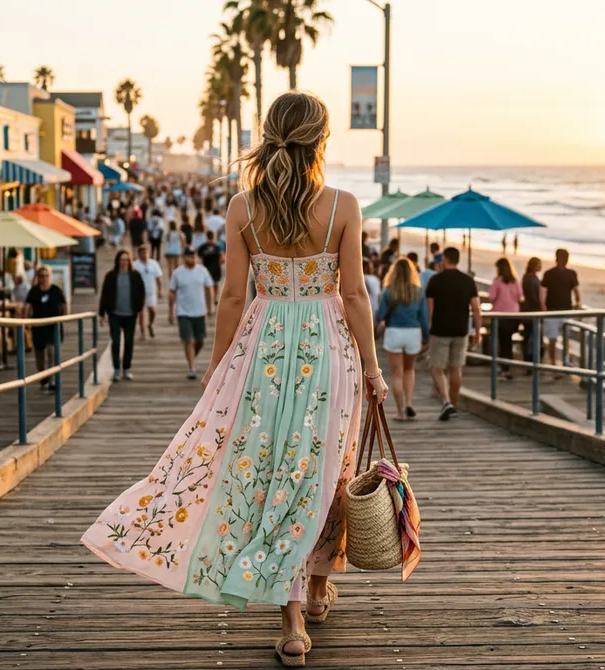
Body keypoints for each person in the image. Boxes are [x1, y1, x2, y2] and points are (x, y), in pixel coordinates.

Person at [83, 91, 388, 668]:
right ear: (321, 141)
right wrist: (373, 368)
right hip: (328, 350)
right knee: (325, 469)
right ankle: (314, 590)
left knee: (273, 473)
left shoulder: (243, 208)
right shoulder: (344, 205)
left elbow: (231, 296)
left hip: (264, 350)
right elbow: (352, 295)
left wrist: (219, 366)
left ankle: (297, 615)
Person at [425, 246, 480, 421]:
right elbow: (476, 309)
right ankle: (453, 404)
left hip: (440, 330)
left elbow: (430, 310)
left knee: (436, 368)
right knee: (456, 368)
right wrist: (477, 331)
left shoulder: (435, 280)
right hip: (461, 329)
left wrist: (428, 329)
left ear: (445, 259)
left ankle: (446, 401)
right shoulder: (468, 281)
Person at [376, 257, 429, 420]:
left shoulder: (388, 291)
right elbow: (424, 317)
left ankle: (400, 412)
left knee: (396, 373)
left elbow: (380, 315)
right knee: (409, 370)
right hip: (413, 333)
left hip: (394, 333)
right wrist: (426, 338)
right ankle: (409, 404)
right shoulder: (418, 291)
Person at [169, 247, 214, 380]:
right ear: (184, 257)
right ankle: (192, 367)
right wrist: (171, 311)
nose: (192, 258)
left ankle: (192, 357)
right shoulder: (177, 273)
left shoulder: (202, 271)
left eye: (194, 255)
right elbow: (172, 292)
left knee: (199, 340)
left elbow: (209, 288)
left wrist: (210, 306)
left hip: (200, 311)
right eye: (189, 256)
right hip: (183, 312)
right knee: (188, 340)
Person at [100, 250, 146, 381]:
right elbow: (105, 294)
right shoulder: (111, 276)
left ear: (129, 261)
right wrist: (102, 313)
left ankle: (126, 368)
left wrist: (139, 308)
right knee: (116, 341)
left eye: (126, 260)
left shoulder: (135, 275)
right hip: (114, 313)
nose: (124, 262)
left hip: (130, 314)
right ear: (117, 261)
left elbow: (141, 292)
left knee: (129, 341)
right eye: (121, 259)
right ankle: (116, 370)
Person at [22, 264, 68, 392]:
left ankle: (52, 381)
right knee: (40, 357)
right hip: (38, 327)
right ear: (38, 277)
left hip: (53, 327)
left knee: (52, 353)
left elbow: (64, 305)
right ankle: (43, 379)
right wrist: (25, 321)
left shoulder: (56, 290)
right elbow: (27, 306)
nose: (44, 278)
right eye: (41, 276)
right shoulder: (34, 291)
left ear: (50, 276)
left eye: (47, 276)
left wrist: (63, 318)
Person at [540, 248, 580, 369]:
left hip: (554, 311)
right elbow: (576, 292)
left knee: (555, 339)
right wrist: (578, 303)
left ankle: (556, 362)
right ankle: (563, 361)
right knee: (563, 338)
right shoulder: (571, 274)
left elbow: (542, 294)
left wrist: (543, 309)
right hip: (562, 310)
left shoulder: (549, 273)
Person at [489, 258, 523, 381]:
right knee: (507, 342)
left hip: (500, 316)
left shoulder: (497, 281)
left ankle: (503, 367)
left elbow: (491, 297)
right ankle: (506, 366)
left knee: (501, 342)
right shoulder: (516, 281)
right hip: (513, 316)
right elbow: (520, 297)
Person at [133, 245, 163, 340]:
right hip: (139, 293)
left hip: (151, 291)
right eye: (142, 253)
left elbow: (158, 278)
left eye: (146, 253)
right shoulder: (135, 265)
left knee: (152, 310)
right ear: (138, 254)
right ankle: (143, 334)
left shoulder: (153, 264)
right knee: (141, 314)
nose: (144, 255)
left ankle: (150, 324)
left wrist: (160, 290)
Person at [520, 256, 543, 368]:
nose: (541, 266)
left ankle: (528, 359)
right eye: (539, 264)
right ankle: (532, 360)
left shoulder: (526, 277)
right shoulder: (532, 279)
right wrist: (540, 306)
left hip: (526, 310)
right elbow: (534, 296)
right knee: (533, 336)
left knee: (528, 336)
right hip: (533, 310)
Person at [198, 229, 224, 304]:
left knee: (210, 285)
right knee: (214, 284)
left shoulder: (203, 247)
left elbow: (198, 257)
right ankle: (214, 298)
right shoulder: (217, 247)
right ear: (214, 237)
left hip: (208, 269)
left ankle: (211, 298)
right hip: (214, 269)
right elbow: (222, 259)